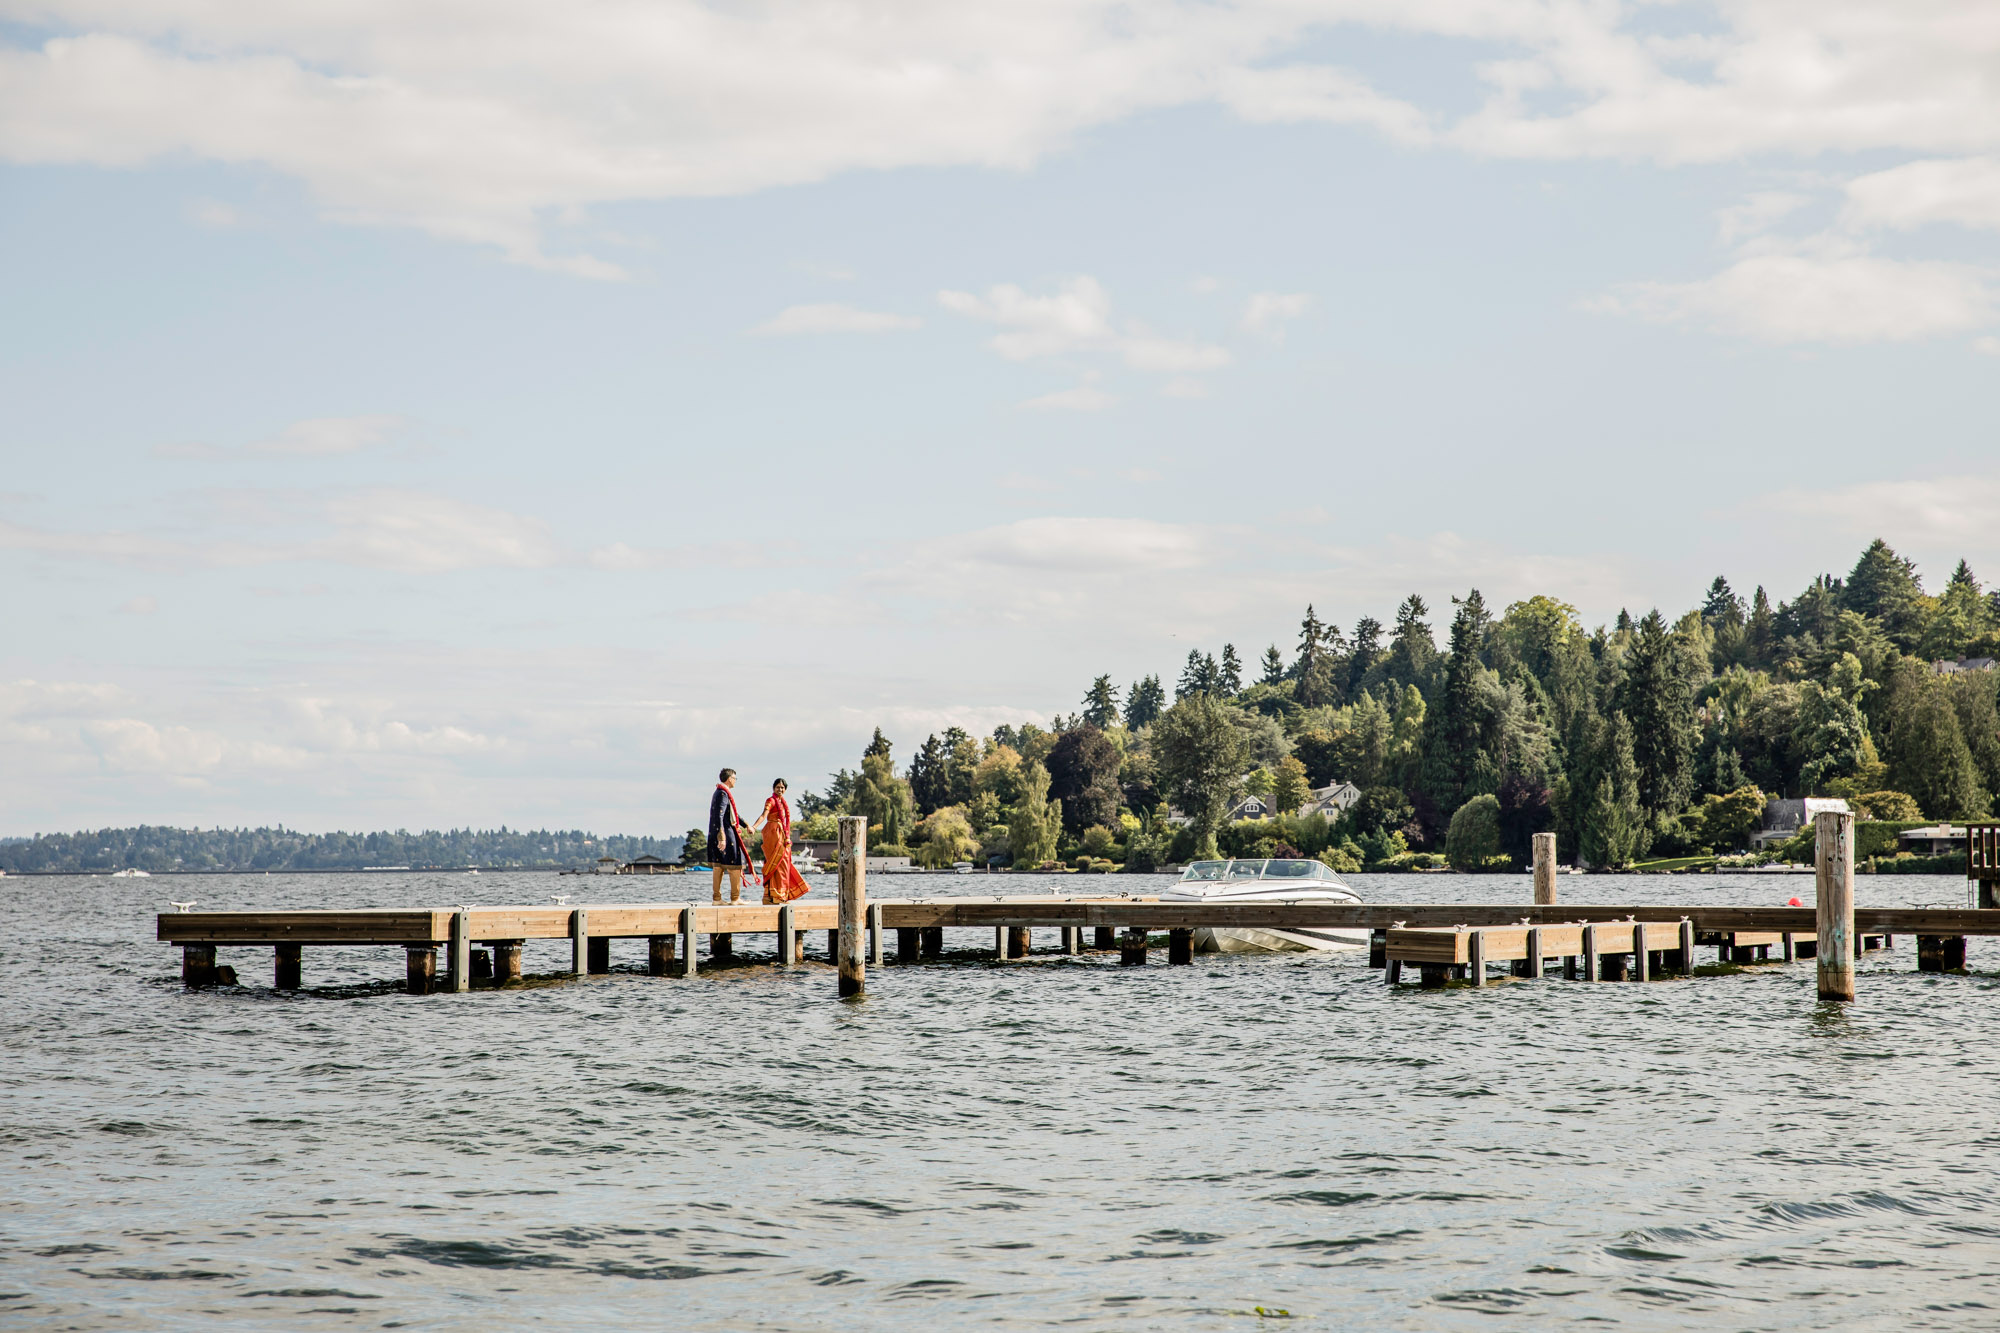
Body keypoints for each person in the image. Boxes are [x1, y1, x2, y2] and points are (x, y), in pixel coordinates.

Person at [752, 778, 811, 905]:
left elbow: (786, 821)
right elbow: (763, 815)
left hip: (782, 834)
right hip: (773, 833)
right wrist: (754, 827)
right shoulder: (771, 801)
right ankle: (777, 896)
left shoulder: (783, 803)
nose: (780, 789)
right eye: (778, 787)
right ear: (773, 788)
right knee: (777, 864)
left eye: (783, 787)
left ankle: (770, 896)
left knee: (783, 864)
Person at [708, 768, 753, 904]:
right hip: (725, 833)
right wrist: (722, 837)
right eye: (735, 778)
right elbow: (719, 816)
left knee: (719, 866)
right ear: (729, 779)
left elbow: (732, 814)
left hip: (716, 832)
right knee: (734, 865)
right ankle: (735, 898)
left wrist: (746, 825)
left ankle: (717, 899)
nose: (735, 781)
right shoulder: (723, 793)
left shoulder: (720, 792)